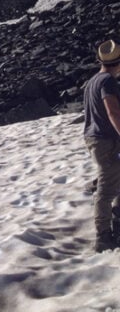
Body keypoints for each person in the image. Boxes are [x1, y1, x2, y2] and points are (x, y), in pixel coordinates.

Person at [84, 39, 120, 252]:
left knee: (115, 180)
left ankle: (114, 226)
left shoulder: (93, 81)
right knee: (106, 190)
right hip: (106, 141)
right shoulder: (107, 81)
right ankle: (103, 238)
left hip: (96, 139)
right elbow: (113, 112)